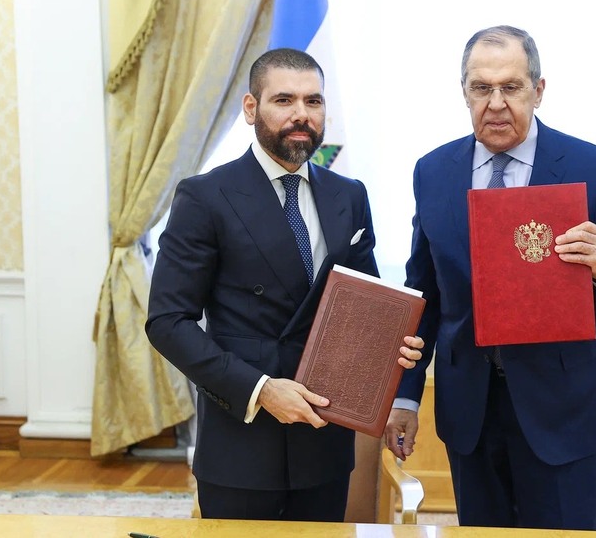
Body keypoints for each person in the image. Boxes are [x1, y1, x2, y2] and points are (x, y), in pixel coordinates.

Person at [384, 26, 596, 530]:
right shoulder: (433, 171)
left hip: (564, 415)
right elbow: (424, 295)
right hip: (470, 413)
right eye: (481, 88)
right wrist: (405, 394)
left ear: (538, 89)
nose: (496, 103)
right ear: (464, 92)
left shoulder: (591, 166)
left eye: (510, 87)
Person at [146, 48, 423, 522]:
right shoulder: (205, 196)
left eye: (313, 101)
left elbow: (366, 307)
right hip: (242, 442)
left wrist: (392, 344)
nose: (301, 114)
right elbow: (167, 322)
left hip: (324, 440)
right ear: (251, 108)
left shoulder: (348, 195)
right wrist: (260, 390)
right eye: (284, 100)